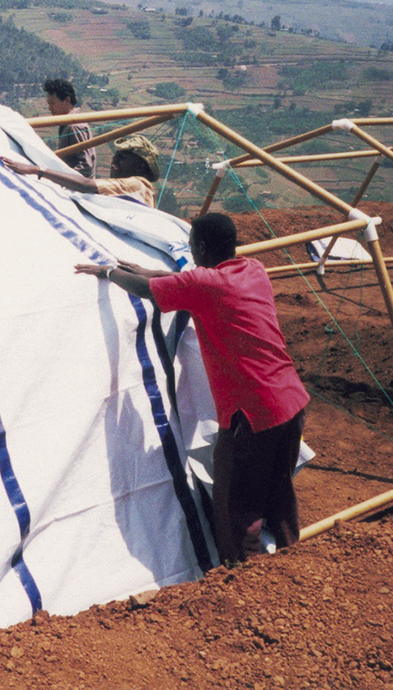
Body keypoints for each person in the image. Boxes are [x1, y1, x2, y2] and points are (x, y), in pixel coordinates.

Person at [74, 212, 308, 565]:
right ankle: (293, 561)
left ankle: (244, 574)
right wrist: (148, 271)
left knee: (236, 500)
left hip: (253, 410)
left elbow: (148, 291)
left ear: (199, 246)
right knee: (279, 490)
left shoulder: (204, 285)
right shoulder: (253, 270)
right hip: (291, 399)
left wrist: (110, 273)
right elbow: (186, 281)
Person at [2, 134, 181, 216]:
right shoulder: (136, 186)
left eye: (123, 157)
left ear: (141, 165)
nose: (115, 160)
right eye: (116, 155)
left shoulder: (137, 184)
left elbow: (86, 185)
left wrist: (38, 170)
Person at [43, 78, 96, 178]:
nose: (50, 108)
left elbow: (86, 167)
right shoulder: (67, 123)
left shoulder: (74, 126)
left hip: (77, 190)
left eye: (52, 103)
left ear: (67, 100)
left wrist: (58, 177)